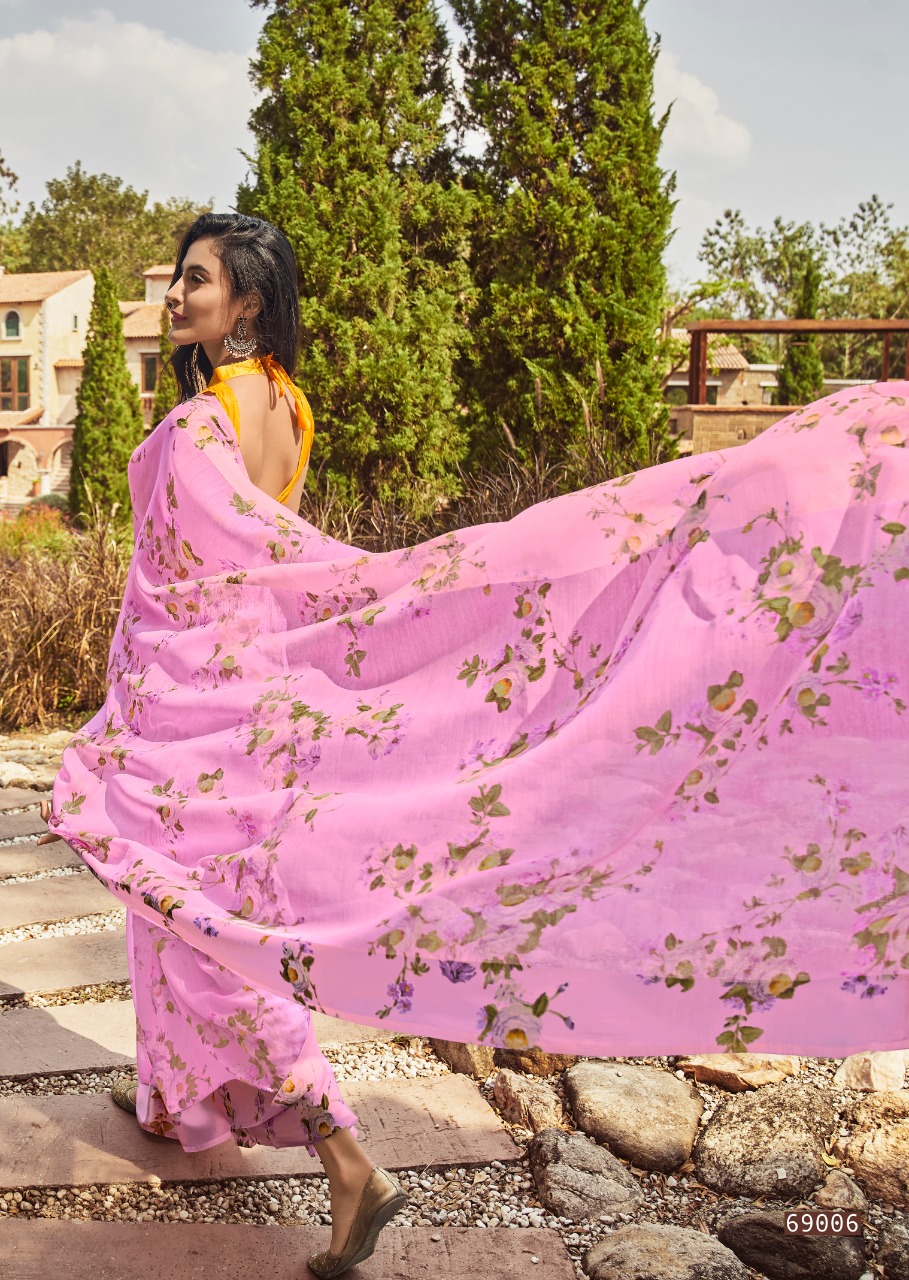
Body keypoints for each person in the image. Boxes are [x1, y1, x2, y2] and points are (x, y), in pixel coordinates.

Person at [40, 211, 909, 1271]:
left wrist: (150, 686)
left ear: (247, 303)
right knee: (199, 896)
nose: (177, 296)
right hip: (265, 685)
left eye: (197, 279)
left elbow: (193, 579)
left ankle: (344, 1157)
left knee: (190, 909)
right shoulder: (287, 406)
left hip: (205, 695)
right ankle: (174, 1096)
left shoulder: (196, 426)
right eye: (179, 279)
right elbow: (276, 562)